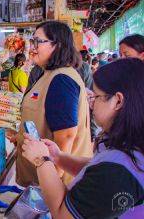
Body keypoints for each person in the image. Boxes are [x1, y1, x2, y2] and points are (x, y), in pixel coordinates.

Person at [21, 58, 144, 218]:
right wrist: (58, 157)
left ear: (118, 101)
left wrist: (41, 160)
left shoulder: (118, 174)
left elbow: (63, 215)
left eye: (97, 97)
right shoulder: (129, 144)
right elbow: (95, 169)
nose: (91, 104)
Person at [14, 21, 92, 187]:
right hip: (43, 182)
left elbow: (66, 137)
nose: (32, 47)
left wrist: (53, 183)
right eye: (32, 42)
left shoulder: (61, 80)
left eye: (37, 42)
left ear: (58, 45)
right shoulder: (49, 74)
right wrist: (20, 138)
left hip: (55, 187)